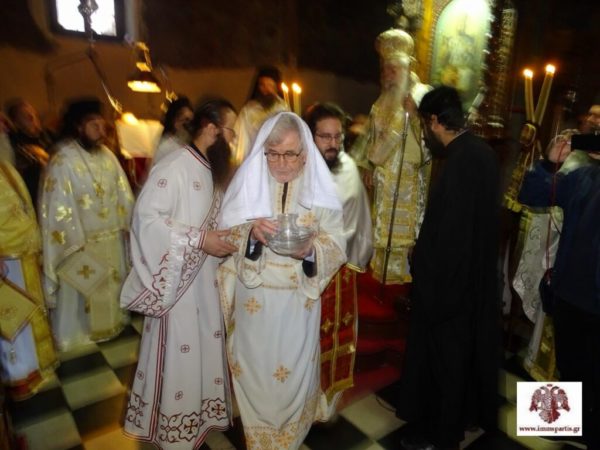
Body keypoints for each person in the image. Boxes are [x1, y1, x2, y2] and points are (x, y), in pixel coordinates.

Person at [218, 112, 346, 449]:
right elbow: (226, 233)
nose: (281, 163)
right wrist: (250, 234)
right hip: (254, 298)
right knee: (256, 371)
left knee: (293, 370)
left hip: (297, 301)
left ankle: (289, 437)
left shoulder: (320, 188)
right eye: (272, 154)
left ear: (305, 154)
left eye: (290, 154)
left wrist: (310, 251)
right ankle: (259, 437)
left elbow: (337, 243)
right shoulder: (249, 183)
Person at [121, 100, 237, 449]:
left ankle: (197, 419)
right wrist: (200, 239)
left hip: (205, 283)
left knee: (202, 350)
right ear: (212, 129)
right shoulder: (174, 166)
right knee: (179, 355)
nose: (234, 140)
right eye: (231, 131)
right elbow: (146, 220)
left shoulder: (213, 171)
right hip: (177, 290)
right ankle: (173, 430)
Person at [396, 86, 501, 450]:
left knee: (444, 364)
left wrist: (426, 273)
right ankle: (460, 419)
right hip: (474, 282)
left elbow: (452, 235)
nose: (427, 134)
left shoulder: (458, 162)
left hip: (448, 289)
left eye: (426, 126)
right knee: (463, 359)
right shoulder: (482, 152)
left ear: (434, 121)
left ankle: (438, 436)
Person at [519, 128, 600, 450]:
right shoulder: (584, 176)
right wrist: (548, 163)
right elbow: (532, 194)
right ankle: (565, 426)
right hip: (569, 294)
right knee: (569, 367)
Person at [39, 98, 134, 352]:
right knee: (83, 293)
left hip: (111, 239)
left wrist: (128, 225)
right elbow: (57, 208)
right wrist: (76, 242)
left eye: (102, 125)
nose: (101, 130)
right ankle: (77, 334)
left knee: (110, 289)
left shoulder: (109, 157)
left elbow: (124, 195)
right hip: (81, 243)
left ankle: (113, 324)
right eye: (93, 125)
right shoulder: (63, 160)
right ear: (78, 126)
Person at [304, 102, 373, 416]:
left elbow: (360, 216)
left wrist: (356, 254)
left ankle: (328, 402)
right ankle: (304, 399)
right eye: (325, 137)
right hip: (305, 269)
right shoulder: (298, 168)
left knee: (337, 336)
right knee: (305, 338)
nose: (333, 144)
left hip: (341, 270)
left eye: (338, 137)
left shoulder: (347, 167)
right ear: (311, 136)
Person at [352, 29, 431, 286]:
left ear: (407, 69)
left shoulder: (422, 95)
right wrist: (366, 165)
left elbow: (432, 139)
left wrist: (415, 116)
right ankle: (379, 276)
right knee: (381, 226)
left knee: (401, 232)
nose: (388, 74)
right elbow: (370, 138)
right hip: (382, 179)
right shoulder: (381, 101)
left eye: (393, 69)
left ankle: (400, 282)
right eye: (385, 69)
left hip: (407, 177)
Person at [0, 160, 58, 400]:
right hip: (6, 258)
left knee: (29, 315)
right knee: (12, 322)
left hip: (23, 253)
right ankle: (18, 375)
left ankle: (35, 368)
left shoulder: (4, 166)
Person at [233, 66, 289, 164]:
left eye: (270, 85)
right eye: (262, 85)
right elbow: (238, 139)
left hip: (278, 161)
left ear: (276, 87)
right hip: (253, 161)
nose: (266, 89)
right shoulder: (248, 111)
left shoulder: (284, 109)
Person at [5, 99, 52, 210]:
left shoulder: (49, 135)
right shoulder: (14, 142)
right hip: (34, 195)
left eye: (33, 113)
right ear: (16, 123)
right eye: (25, 115)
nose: (32, 118)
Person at [151, 96, 194, 165]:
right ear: (175, 121)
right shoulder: (166, 146)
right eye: (185, 120)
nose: (189, 126)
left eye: (191, 121)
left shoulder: (185, 144)